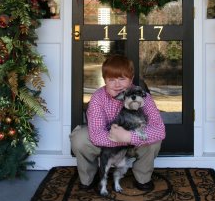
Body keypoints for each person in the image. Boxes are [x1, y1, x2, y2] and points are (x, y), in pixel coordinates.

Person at [70, 54, 166, 191]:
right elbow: (97, 135)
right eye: (111, 79)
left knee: (154, 139)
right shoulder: (98, 98)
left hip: (134, 143)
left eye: (122, 79)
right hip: (107, 144)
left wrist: (128, 137)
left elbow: (160, 130)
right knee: (79, 138)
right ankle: (88, 179)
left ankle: (143, 177)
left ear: (131, 79)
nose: (117, 84)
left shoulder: (143, 96)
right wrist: (120, 138)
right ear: (104, 80)